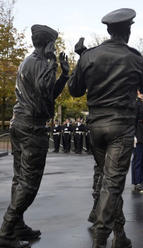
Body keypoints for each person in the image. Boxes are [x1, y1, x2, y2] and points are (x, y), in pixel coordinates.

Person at [68, 8, 143, 248]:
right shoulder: (134, 57)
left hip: (96, 128)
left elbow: (74, 90)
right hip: (121, 129)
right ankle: (100, 239)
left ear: (108, 30)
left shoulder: (89, 56)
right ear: (127, 30)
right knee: (112, 184)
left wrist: (81, 59)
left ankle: (121, 235)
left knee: (109, 183)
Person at [0, 24, 69, 248]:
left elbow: (47, 95)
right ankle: (7, 229)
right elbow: (42, 88)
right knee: (29, 183)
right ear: (48, 43)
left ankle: (17, 225)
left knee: (19, 179)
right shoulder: (40, 62)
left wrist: (64, 75)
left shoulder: (29, 61)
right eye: (53, 43)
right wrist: (52, 63)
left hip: (20, 124)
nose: (54, 48)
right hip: (31, 128)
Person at [131, 91, 143, 192]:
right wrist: (133, 136)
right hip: (138, 134)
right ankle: (136, 182)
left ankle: (141, 181)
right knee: (137, 159)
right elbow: (133, 121)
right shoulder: (136, 103)